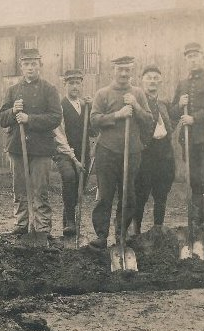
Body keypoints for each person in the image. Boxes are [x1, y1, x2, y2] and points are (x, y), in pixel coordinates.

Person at [88, 56, 154, 250]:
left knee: (128, 196)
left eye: (127, 70)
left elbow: (149, 120)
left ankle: (121, 234)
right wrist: (118, 115)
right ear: (113, 71)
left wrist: (136, 106)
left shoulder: (138, 94)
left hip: (132, 152)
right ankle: (101, 236)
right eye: (120, 70)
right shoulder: (103, 94)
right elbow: (94, 120)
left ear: (131, 72)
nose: (124, 73)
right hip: (107, 151)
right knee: (105, 195)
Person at [169, 42, 204, 257]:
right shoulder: (182, 84)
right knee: (193, 181)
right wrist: (179, 105)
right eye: (189, 56)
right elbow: (174, 113)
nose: (193, 59)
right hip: (190, 142)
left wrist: (195, 118)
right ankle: (194, 222)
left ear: (202, 57)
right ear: (186, 59)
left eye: (196, 55)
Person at [0, 48, 62, 237]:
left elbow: (56, 117)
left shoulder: (49, 89)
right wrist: (13, 112)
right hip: (17, 147)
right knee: (20, 188)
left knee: (40, 188)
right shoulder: (13, 91)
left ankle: (42, 228)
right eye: (26, 64)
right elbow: (1, 118)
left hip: (41, 148)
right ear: (21, 67)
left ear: (40, 66)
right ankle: (21, 224)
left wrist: (29, 119)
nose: (30, 68)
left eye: (34, 64)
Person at [131, 64, 177, 236]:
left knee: (161, 194)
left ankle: (158, 229)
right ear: (142, 81)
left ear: (161, 81)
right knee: (141, 194)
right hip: (145, 153)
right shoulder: (138, 102)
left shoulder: (164, 103)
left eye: (155, 78)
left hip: (164, 153)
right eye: (149, 77)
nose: (152, 81)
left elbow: (173, 119)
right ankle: (135, 232)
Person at [53, 69, 97, 238]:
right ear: (65, 85)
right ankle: (70, 220)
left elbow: (93, 132)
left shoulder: (86, 106)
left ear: (81, 85)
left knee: (80, 186)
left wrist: (92, 108)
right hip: (63, 152)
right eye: (71, 83)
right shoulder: (60, 107)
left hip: (82, 152)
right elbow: (59, 135)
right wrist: (72, 157)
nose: (75, 86)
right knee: (70, 177)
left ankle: (69, 224)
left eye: (78, 83)